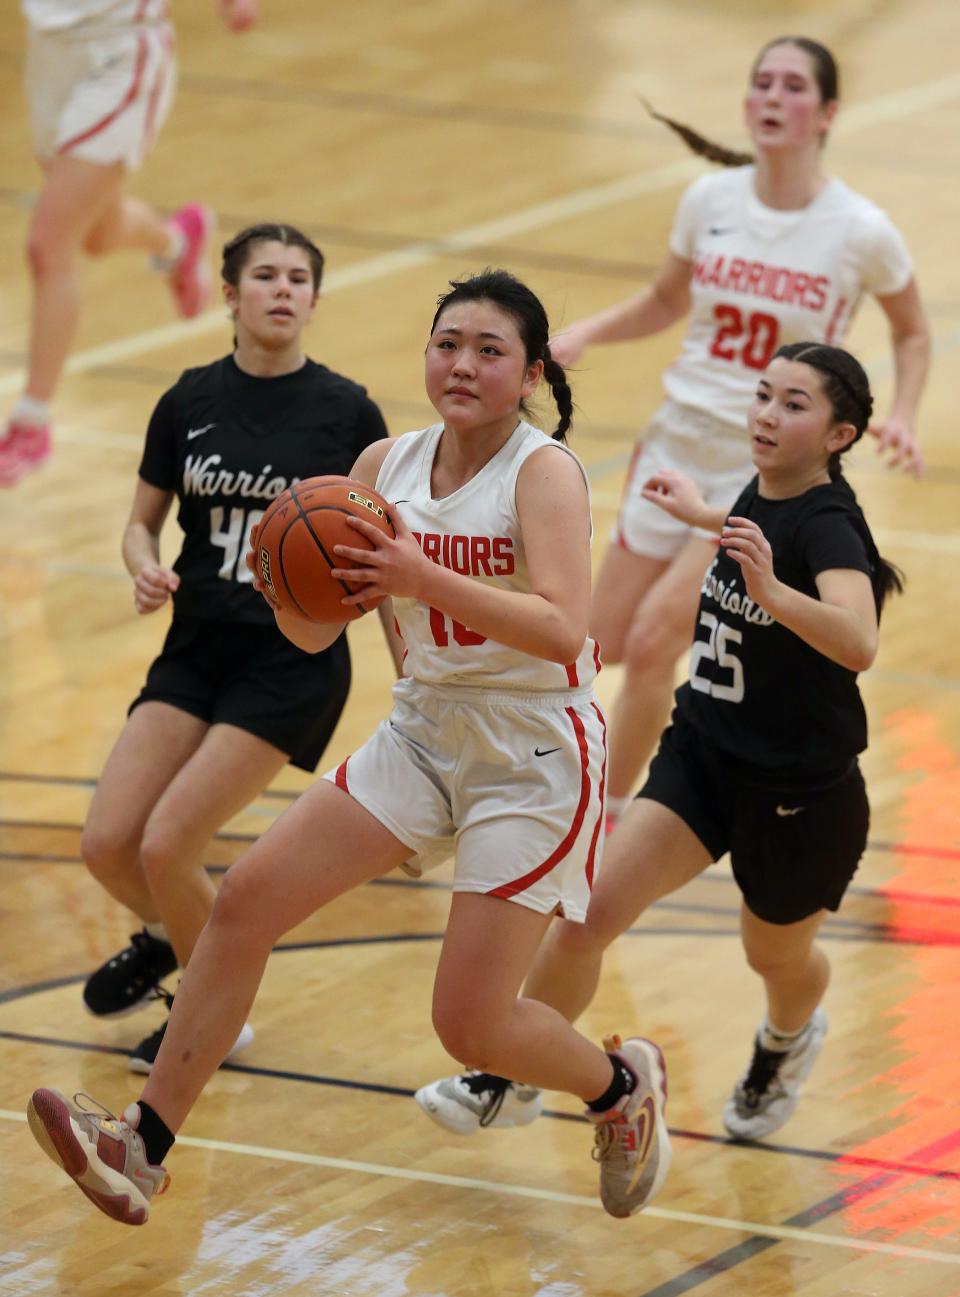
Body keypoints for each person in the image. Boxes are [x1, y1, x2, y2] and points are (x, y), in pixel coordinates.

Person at [27, 268, 671, 1225]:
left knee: (471, 1026)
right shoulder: (381, 467)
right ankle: (140, 1145)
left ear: (531, 371)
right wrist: (288, 588)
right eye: (447, 343)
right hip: (423, 729)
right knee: (243, 902)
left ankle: (620, 1087)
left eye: (490, 351)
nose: (462, 364)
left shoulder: (543, 470)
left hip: (533, 752)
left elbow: (566, 626)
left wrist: (421, 572)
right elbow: (318, 638)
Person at [416, 341, 902, 1142]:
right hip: (702, 754)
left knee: (773, 957)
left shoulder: (833, 526)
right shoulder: (768, 487)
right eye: (762, 395)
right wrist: (699, 515)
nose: (766, 416)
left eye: (793, 405)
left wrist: (772, 591)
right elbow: (754, 527)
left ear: (840, 436)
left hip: (797, 792)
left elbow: (859, 640)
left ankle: (787, 1035)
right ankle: (509, 1072)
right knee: (586, 914)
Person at [547, 35, 928, 828]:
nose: (771, 97)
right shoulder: (711, 200)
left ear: (825, 113)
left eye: (792, 86)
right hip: (676, 439)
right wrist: (589, 331)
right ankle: (550, 790)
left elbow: (913, 330)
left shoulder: (859, 228)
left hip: (758, 469)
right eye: (761, 83)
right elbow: (663, 300)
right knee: (597, 640)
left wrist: (901, 411)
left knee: (657, 638)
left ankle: (604, 820)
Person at [75, 221, 395, 1073]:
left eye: (299, 278)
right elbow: (142, 524)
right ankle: (168, 936)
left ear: (316, 301)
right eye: (265, 275)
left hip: (289, 659)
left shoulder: (349, 412)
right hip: (195, 644)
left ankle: (213, 1019)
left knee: (169, 842)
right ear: (230, 295)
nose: (283, 289)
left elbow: (384, 546)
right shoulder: (187, 400)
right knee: (108, 841)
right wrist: (144, 569)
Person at [0, 0, 259, 488]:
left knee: (47, 244)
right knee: (93, 232)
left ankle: (30, 422)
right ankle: (177, 241)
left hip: (121, 52)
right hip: (50, 50)